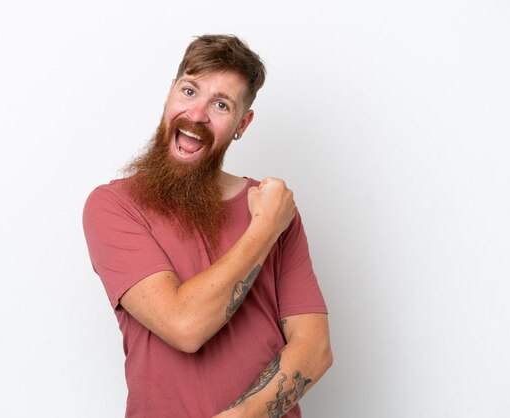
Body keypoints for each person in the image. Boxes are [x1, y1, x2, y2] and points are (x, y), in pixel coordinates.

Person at [83, 34, 332, 418]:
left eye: (220, 104)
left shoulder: (272, 207)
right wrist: (264, 229)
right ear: (169, 93)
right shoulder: (113, 206)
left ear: (242, 124)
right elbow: (185, 326)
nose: (197, 114)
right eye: (189, 91)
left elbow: (315, 350)